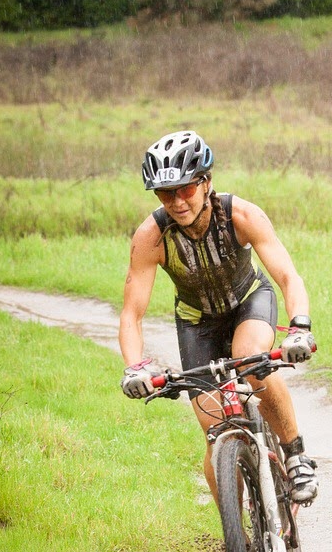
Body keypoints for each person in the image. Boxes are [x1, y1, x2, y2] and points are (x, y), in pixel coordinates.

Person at [119, 129, 318, 506]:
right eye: (166, 193)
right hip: (197, 323)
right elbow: (132, 314)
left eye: (185, 189)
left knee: (250, 360)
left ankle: (296, 456)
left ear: (206, 182)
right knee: (215, 432)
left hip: (248, 301)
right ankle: (235, 530)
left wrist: (299, 327)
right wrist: (134, 368)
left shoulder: (240, 215)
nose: (177, 202)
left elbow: (289, 276)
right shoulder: (151, 237)